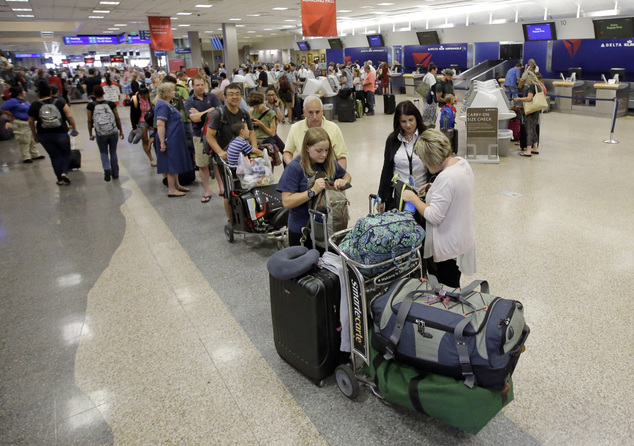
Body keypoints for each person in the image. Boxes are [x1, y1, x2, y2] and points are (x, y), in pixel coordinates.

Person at [402, 129, 475, 288]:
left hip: (448, 247)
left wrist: (413, 199)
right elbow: (456, 190)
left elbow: (434, 215)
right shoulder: (461, 163)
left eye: (423, 159)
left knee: (448, 288)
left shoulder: (446, 178)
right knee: (453, 282)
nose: (423, 163)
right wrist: (433, 187)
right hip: (461, 237)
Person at [276, 127, 352, 248]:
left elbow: (347, 175)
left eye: (327, 150)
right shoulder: (295, 168)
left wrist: (342, 181)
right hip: (302, 230)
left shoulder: (328, 162)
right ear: (307, 148)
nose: (324, 154)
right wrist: (312, 191)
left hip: (328, 228)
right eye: (319, 150)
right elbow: (287, 202)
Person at [206, 83, 257, 214]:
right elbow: (209, 136)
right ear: (225, 97)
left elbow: (251, 133)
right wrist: (220, 152)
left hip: (243, 158)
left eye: (237, 94)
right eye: (231, 94)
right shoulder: (219, 114)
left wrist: (254, 150)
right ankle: (231, 220)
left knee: (248, 186)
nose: (235, 97)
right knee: (229, 191)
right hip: (227, 161)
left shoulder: (244, 114)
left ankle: (247, 216)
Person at [378, 100, 428, 212]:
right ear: (398, 122)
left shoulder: (427, 137)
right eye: (403, 121)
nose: (408, 125)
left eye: (411, 120)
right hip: (398, 195)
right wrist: (381, 197)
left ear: (417, 118)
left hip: (422, 194)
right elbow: (386, 169)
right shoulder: (392, 140)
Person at [27, 83, 78, 186]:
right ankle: (64, 172)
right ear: (50, 92)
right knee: (66, 153)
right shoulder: (60, 102)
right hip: (61, 133)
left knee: (54, 156)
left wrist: (34, 134)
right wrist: (74, 128)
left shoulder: (34, 105)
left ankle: (59, 179)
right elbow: (69, 116)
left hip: (44, 135)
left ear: (38, 93)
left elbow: (30, 121)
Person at [282, 95, 348, 169]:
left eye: (317, 112)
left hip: (327, 171)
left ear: (322, 111)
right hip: (303, 170)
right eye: (310, 112)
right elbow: (287, 153)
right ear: (304, 112)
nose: (314, 117)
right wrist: (295, 168)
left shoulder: (333, 129)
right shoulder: (295, 128)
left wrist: (339, 177)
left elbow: (341, 158)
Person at [184, 74, 221, 203]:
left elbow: (218, 112)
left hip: (215, 134)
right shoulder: (189, 101)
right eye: (197, 85)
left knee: (217, 163)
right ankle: (207, 191)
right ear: (193, 86)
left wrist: (201, 113)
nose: (200, 87)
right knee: (202, 164)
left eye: (202, 85)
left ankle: (221, 188)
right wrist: (209, 110)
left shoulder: (212, 97)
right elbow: (193, 118)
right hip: (198, 136)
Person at [154, 82, 194, 197]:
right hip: (169, 138)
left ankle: (177, 184)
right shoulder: (162, 105)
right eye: (172, 90)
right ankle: (171, 189)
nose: (174, 92)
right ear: (166, 93)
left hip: (175, 138)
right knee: (171, 163)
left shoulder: (167, 104)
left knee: (176, 162)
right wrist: (162, 141)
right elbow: (160, 124)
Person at [86, 85, 124, 181]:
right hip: (112, 131)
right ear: (103, 92)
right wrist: (121, 130)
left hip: (100, 133)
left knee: (103, 152)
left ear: (93, 94)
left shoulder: (91, 106)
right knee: (113, 152)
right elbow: (117, 118)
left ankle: (107, 168)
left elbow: (89, 120)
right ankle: (115, 174)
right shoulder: (111, 104)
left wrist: (90, 133)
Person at [1, 86, 45, 163]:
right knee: (24, 140)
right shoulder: (13, 101)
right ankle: (26, 157)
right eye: (23, 91)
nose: (25, 92)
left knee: (31, 138)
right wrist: (12, 115)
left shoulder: (24, 101)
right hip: (21, 122)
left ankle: (34, 154)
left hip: (28, 121)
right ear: (20, 93)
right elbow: (2, 109)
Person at [513, 70, 541, 157]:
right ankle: (535, 147)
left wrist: (519, 99)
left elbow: (529, 98)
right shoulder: (538, 85)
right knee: (533, 128)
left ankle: (528, 150)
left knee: (529, 129)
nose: (525, 82)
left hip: (531, 110)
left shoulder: (532, 86)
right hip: (536, 110)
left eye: (525, 80)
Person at [130, 87, 156, 167]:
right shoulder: (135, 100)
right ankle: (151, 158)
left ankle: (155, 154)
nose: (145, 97)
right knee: (145, 140)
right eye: (143, 96)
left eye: (146, 95)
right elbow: (132, 114)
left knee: (154, 139)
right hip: (141, 121)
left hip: (151, 121)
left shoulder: (151, 98)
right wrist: (134, 127)